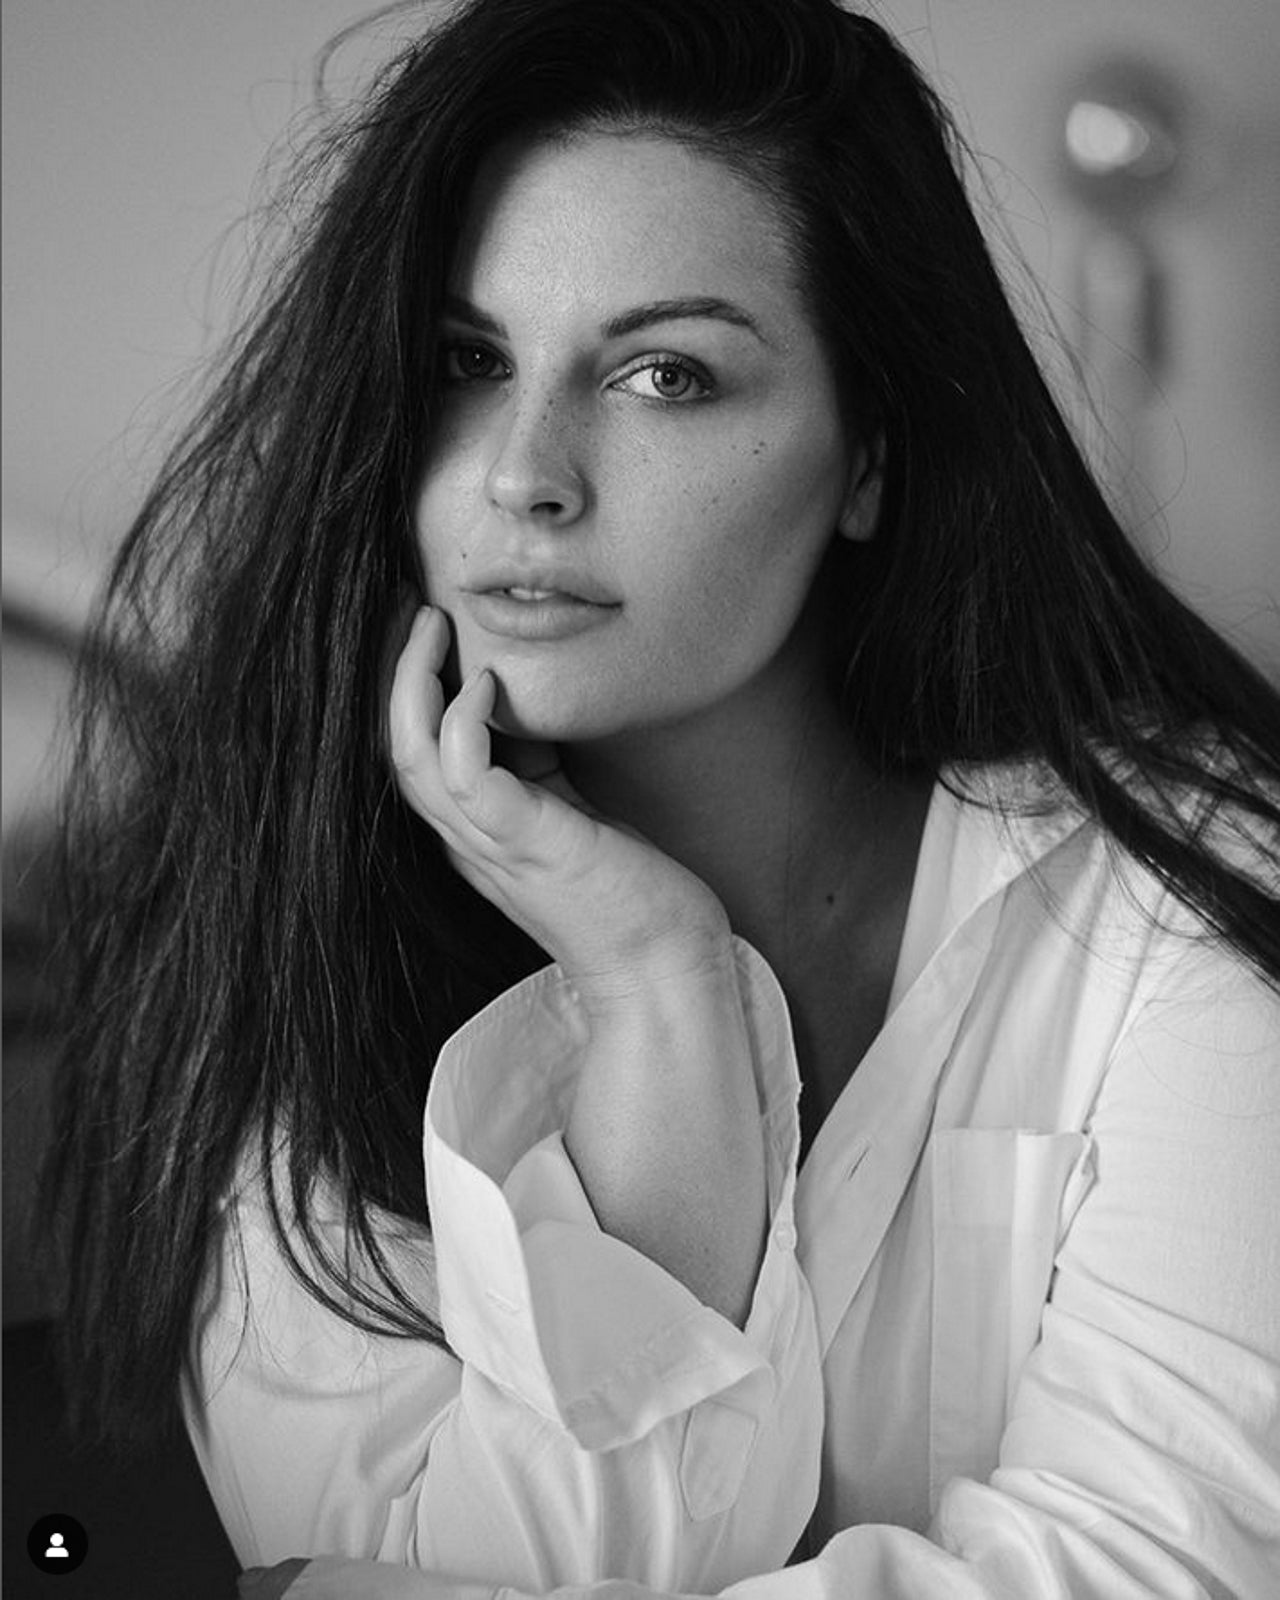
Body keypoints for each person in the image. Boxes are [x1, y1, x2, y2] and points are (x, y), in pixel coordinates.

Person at [45, 0, 1280, 1596]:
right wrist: (656, 986)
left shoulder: (1186, 881)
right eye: (465, 362)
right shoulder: (296, 940)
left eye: (666, 375)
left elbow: (1151, 1573)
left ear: (868, 457)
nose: (525, 475)